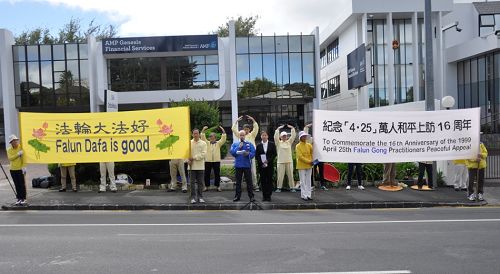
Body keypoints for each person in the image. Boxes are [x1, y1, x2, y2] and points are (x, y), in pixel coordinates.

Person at [232, 115, 259, 191]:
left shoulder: (252, 135)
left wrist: (253, 120)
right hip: (242, 156)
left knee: (253, 171)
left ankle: (255, 186)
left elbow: (256, 128)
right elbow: (233, 129)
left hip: (250, 155)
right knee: (241, 173)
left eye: (247, 129)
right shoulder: (240, 135)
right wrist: (237, 121)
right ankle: (240, 187)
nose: (246, 131)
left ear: (249, 130)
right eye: (244, 129)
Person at [230, 130, 256, 202]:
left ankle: (251, 197)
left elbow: (253, 153)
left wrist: (248, 154)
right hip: (238, 166)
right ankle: (237, 196)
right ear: (239, 136)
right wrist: (238, 147)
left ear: (245, 136)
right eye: (240, 135)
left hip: (247, 165)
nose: (242, 136)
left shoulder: (249, 144)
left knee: (249, 182)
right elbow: (232, 153)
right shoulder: (235, 144)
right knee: (238, 182)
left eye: (243, 135)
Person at [201, 126, 226, 192]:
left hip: (216, 161)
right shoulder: (207, 143)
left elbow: (223, 139)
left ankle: (218, 186)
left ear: (215, 138)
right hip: (208, 161)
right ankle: (206, 186)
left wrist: (223, 131)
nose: (211, 138)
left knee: (217, 174)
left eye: (213, 137)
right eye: (210, 137)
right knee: (207, 174)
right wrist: (203, 130)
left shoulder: (218, 143)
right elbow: (203, 138)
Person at [303, 123, 327, 190]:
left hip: (320, 158)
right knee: (313, 172)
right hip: (313, 158)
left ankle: (322, 185)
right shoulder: (310, 139)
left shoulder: (322, 139)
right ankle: (312, 185)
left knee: (321, 172)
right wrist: (307, 127)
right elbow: (305, 135)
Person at [256, 131, 277, 202]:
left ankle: (269, 195)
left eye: (265, 135)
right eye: (262, 135)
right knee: (263, 180)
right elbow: (257, 156)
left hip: (270, 165)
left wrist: (268, 160)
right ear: (261, 136)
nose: (264, 136)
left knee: (269, 180)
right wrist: (262, 162)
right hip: (262, 166)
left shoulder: (272, 144)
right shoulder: (258, 145)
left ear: (267, 136)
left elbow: (274, 154)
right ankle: (264, 196)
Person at [274, 124, 296, 192]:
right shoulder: (278, 143)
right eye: (283, 136)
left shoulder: (289, 142)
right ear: (280, 137)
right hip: (280, 162)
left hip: (289, 161)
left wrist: (292, 128)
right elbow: (275, 137)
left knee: (290, 175)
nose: (284, 137)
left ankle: (292, 187)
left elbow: (293, 136)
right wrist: (277, 129)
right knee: (280, 176)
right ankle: (279, 188)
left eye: (285, 136)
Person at [7, 135, 27, 205]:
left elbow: (24, 158)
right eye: (13, 141)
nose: (15, 142)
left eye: (16, 140)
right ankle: (19, 198)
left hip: (20, 169)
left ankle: (23, 198)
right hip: (12, 169)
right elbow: (10, 158)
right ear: (11, 142)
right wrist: (18, 154)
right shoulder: (9, 149)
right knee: (17, 184)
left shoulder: (21, 147)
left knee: (22, 184)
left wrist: (24, 167)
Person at [188, 129, 207, 204]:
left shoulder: (203, 143)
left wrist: (194, 157)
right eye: (194, 133)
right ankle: (192, 197)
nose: (195, 135)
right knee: (192, 183)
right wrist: (187, 160)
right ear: (192, 134)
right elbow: (186, 153)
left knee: (200, 182)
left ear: (199, 134)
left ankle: (200, 197)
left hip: (200, 166)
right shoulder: (189, 143)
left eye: (197, 133)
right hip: (191, 166)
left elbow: (203, 154)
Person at [295, 131, 313, 201]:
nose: (304, 137)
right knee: (302, 181)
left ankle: (308, 195)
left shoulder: (309, 145)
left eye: (305, 136)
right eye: (303, 136)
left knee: (308, 180)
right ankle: (304, 195)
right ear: (300, 138)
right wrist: (309, 161)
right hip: (301, 165)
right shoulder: (298, 146)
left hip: (309, 165)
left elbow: (312, 154)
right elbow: (300, 157)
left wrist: (312, 161)